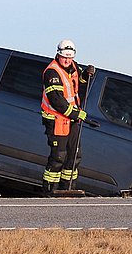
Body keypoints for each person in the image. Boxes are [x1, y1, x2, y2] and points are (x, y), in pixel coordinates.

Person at [41, 39, 97, 195]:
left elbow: (80, 82)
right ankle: (49, 190)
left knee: (74, 156)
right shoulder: (52, 72)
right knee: (58, 157)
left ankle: (68, 189)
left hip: (71, 120)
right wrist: (76, 113)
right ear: (58, 54)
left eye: (70, 57)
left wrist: (86, 74)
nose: (67, 60)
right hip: (56, 120)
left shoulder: (73, 66)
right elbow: (56, 100)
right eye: (64, 56)